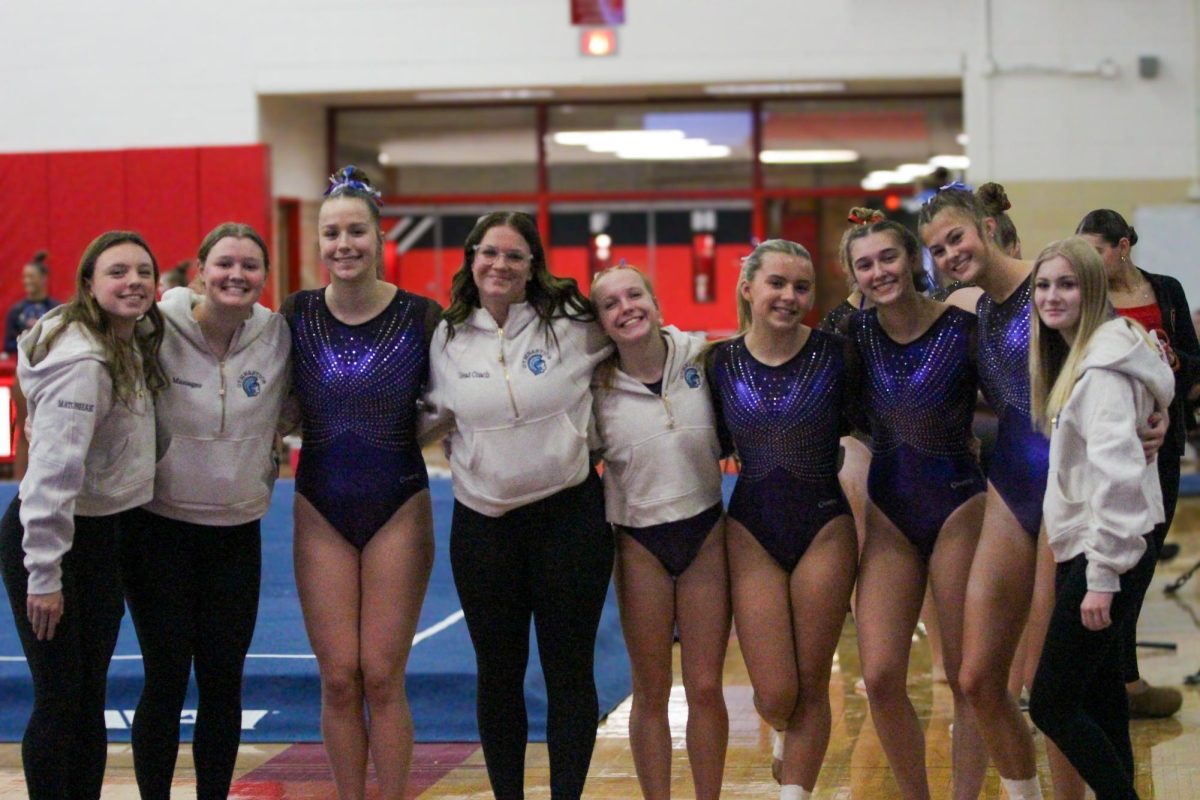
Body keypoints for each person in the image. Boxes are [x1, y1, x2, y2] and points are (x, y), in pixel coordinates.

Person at [420, 211, 613, 800]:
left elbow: (641, 345)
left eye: (513, 256)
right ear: (471, 260)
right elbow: (425, 416)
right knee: (498, 676)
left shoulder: (575, 325)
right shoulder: (447, 337)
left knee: (568, 672)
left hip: (570, 520)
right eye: (488, 253)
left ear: (533, 268)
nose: (499, 265)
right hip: (485, 527)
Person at [118, 223, 291, 800]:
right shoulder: (155, 327)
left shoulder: (277, 337)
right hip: (159, 530)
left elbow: (294, 407)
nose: (236, 275)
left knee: (223, 684)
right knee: (164, 681)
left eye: (249, 266)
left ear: (265, 277)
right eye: (224, 264)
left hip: (236, 533)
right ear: (200, 269)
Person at [283, 167, 440, 800]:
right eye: (331, 233)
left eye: (355, 231)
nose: (343, 243)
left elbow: (460, 399)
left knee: (381, 675)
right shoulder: (292, 314)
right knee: (338, 678)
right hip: (320, 501)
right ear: (317, 242)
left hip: (397, 499)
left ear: (378, 237)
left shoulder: (422, 317)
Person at [0, 231, 165, 799]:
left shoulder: (128, 340)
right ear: (89, 284)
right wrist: (44, 573)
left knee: (87, 693)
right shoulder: (84, 362)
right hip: (52, 542)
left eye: (143, 272)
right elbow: (50, 477)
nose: (133, 282)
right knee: (60, 695)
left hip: (99, 537)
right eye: (117, 272)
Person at [838, 209, 987, 800]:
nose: (880, 272)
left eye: (888, 257)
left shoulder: (961, 327)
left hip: (957, 507)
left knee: (964, 677)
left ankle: (965, 796)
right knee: (878, 675)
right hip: (891, 516)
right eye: (865, 264)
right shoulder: (853, 337)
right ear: (854, 275)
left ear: (913, 259)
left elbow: (1022, 395)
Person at [707, 239, 858, 800]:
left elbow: (875, 422)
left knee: (812, 684)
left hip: (824, 524)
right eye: (777, 283)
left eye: (801, 287)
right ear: (749, 288)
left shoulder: (838, 354)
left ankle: (795, 791)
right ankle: (780, 727)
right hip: (752, 529)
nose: (789, 296)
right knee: (776, 694)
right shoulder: (719, 362)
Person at [1026, 236, 1173, 800]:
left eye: (1066, 284)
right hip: (1090, 547)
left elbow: (1116, 479)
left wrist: (1102, 577)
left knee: (1052, 703)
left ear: (1091, 290)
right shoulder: (1090, 357)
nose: (1051, 296)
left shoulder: (1105, 368)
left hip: (1103, 550)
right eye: (1043, 285)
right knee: (1101, 696)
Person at [589, 263, 730, 800]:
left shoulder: (701, 357)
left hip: (703, 536)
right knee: (651, 690)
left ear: (655, 300)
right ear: (601, 322)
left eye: (634, 295)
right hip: (639, 542)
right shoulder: (596, 386)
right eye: (611, 303)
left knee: (705, 686)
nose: (626, 308)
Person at [1076, 209, 1200, 718]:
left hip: (1162, 436)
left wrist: (1169, 364)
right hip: (1110, 438)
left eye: (1096, 250)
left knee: (1144, 560)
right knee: (1115, 557)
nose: (1090, 260)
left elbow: (1194, 358)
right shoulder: (1090, 298)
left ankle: (1123, 677)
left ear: (1123, 246)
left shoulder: (1165, 289)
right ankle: (1118, 679)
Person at [4, 251, 60, 355]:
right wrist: (26, 341)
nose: (27, 281)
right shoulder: (16, 310)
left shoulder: (55, 309)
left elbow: (62, 341)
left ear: (44, 278)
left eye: (31, 277)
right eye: (25, 277)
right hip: (23, 364)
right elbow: (8, 345)